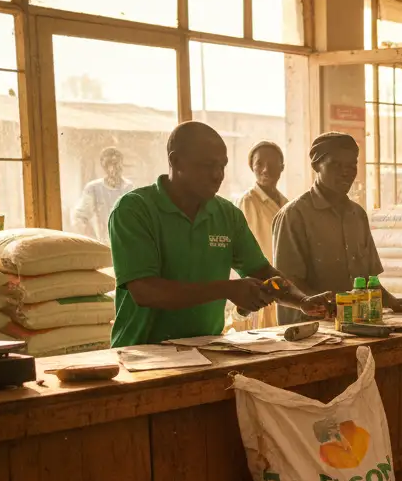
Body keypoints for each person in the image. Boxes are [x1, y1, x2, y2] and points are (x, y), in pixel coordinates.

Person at [108, 121, 329, 348]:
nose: (218, 175)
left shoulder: (226, 214)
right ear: (175, 161)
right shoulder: (134, 210)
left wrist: (302, 301)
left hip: (204, 349)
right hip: (141, 353)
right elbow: (146, 292)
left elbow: (262, 272)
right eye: (207, 165)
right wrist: (227, 289)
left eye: (222, 166)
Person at [272, 132, 402, 325]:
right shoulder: (294, 215)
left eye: (352, 165)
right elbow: (288, 283)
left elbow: (367, 280)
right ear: (317, 165)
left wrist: (391, 302)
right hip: (309, 330)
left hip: (354, 325)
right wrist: (326, 305)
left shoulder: (357, 215)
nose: (346, 172)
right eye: (336, 165)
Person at [233, 141, 290, 330]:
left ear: (282, 167)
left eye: (273, 165)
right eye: (259, 164)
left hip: (282, 284)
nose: (266, 170)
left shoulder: (286, 203)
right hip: (261, 287)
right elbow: (244, 253)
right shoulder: (247, 202)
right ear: (252, 167)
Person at [73, 147, 132, 244]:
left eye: (118, 163)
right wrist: (93, 238)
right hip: (104, 245)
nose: (115, 168)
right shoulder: (93, 188)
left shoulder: (129, 187)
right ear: (104, 167)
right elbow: (79, 217)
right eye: (111, 164)